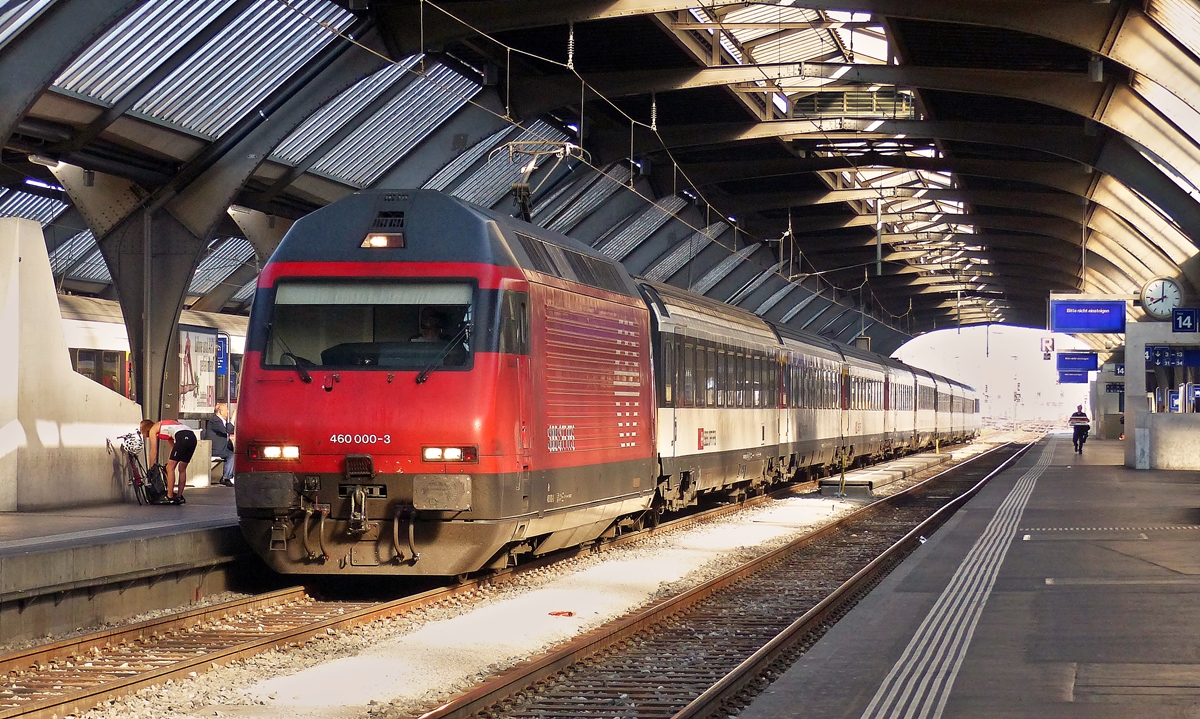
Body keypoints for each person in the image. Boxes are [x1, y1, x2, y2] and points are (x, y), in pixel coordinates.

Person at [140, 418, 197, 504]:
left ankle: (169, 496)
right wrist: (169, 461)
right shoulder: (166, 427)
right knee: (182, 469)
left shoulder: (153, 429)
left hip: (182, 436)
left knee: (170, 468)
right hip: (192, 437)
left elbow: (154, 451)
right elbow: (173, 447)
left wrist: (151, 468)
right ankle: (179, 496)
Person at [206, 403, 236, 486]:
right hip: (215, 448)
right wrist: (233, 418)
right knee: (231, 455)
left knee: (233, 453)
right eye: (226, 410)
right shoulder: (215, 420)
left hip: (221, 447)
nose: (228, 412)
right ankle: (226, 477)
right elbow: (227, 430)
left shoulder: (221, 421)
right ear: (220, 411)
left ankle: (229, 475)